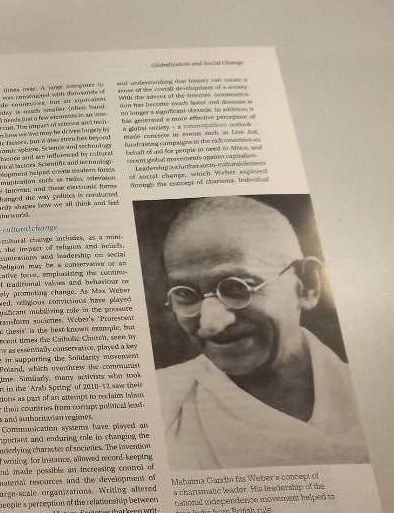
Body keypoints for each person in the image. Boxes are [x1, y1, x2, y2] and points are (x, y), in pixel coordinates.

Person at [156, 197, 369, 470]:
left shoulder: (374, 398)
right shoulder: (160, 405)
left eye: (236, 287)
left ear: (307, 285)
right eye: (186, 295)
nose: (210, 323)